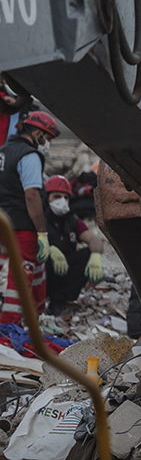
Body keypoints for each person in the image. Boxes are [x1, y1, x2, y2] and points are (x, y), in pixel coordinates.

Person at [0, 111, 60, 325]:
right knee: (20, 279)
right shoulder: (30, 156)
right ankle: (9, 328)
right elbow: (32, 195)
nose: (48, 144)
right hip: (22, 226)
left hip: (3, 222)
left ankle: (31, 320)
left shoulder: (4, 151)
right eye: (48, 138)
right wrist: (42, 232)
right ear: (37, 133)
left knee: (14, 272)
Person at [42, 176, 105, 316]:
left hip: (65, 271)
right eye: (57, 196)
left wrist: (95, 256)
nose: (62, 201)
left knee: (87, 253)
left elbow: (94, 239)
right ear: (46, 198)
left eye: (66, 197)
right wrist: (50, 249)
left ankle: (59, 302)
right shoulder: (39, 219)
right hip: (45, 272)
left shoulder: (71, 220)